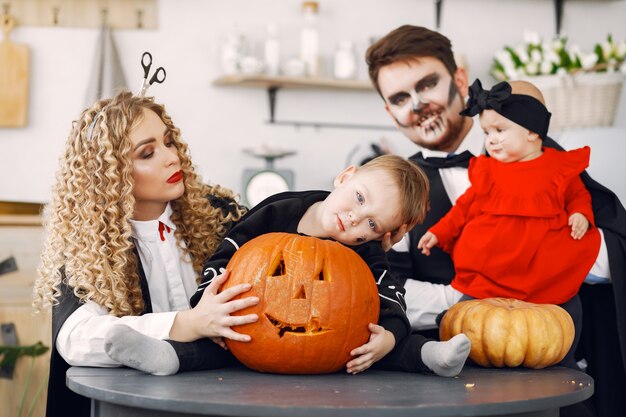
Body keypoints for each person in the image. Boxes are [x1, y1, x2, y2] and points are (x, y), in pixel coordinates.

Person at [366, 25, 626, 417]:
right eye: (400, 98)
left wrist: (539, 258)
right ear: (390, 111)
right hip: (441, 388)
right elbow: (382, 287)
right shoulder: (394, 187)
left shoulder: (543, 157)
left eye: (427, 84)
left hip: (550, 376)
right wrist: (466, 301)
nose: (418, 104)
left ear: (459, 79)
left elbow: (613, 257)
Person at [103, 154, 471, 377]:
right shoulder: (279, 208)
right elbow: (228, 251)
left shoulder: (368, 250)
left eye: (373, 223)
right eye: (358, 198)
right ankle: (165, 355)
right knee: (215, 345)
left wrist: (389, 336)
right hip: (248, 327)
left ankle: (430, 356)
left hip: (338, 351)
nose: (356, 220)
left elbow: (390, 296)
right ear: (345, 177)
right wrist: (206, 304)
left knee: (381, 347)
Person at [32, 91, 256, 417]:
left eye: (169, 142)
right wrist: (184, 324)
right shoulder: (88, 247)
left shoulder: (218, 214)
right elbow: (76, 339)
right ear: (109, 175)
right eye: (148, 152)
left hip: (222, 396)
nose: (172, 157)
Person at [417, 78, 600, 308]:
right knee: (474, 301)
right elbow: (463, 207)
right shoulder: (488, 170)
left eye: (499, 130)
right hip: (492, 260)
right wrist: (439, 232)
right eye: (486, 132)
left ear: (532, 131)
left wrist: (580, 213)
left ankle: (560, 319)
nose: (491, 140)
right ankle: (460, 320)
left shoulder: (558, 166)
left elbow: (578, 194)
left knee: (565, 303)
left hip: (540, 260)